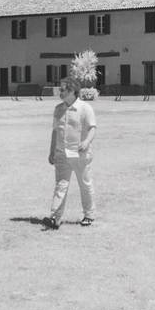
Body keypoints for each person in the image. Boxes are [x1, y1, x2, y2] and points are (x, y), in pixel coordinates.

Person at [43, 76, 97, 229]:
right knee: (60, 186)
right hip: (61, 155)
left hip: (80, 155)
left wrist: (86, 142)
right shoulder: (58, 109)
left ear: (72, 91)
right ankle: (55, 218)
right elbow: (55, 132)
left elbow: (92, 128)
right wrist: (51, 151)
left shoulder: (85, 108)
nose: (59, 92)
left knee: (85, 185)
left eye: (62, 89)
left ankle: (89, 215)